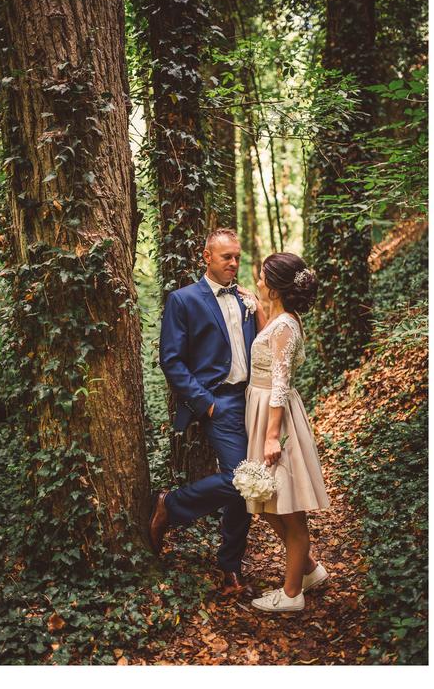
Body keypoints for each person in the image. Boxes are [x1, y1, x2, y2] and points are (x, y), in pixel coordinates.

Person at [149, 228, 265, 594]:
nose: (234, 263)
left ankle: (230, 565)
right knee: (240, 479)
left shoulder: (246, 299)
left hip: (252, 399)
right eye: (226, 257)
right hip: (220, 402)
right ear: (207, 257)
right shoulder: (183, 300)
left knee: (248, 487)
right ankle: (172, 505)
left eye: (237, 257)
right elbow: (171, 359)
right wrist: (206, 403)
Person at [243, 252, 331, 613]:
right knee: (268, 502)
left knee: (288, 507)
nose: (258, 281)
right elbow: (271, 344)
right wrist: (257, 307)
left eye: (263, 278)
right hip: (264, 410)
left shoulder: (285, 327)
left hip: (275, 416)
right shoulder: (280, 321)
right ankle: (308, 569)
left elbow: (279, 383)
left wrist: (271, 436)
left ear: (276, 288)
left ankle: (292, 594)